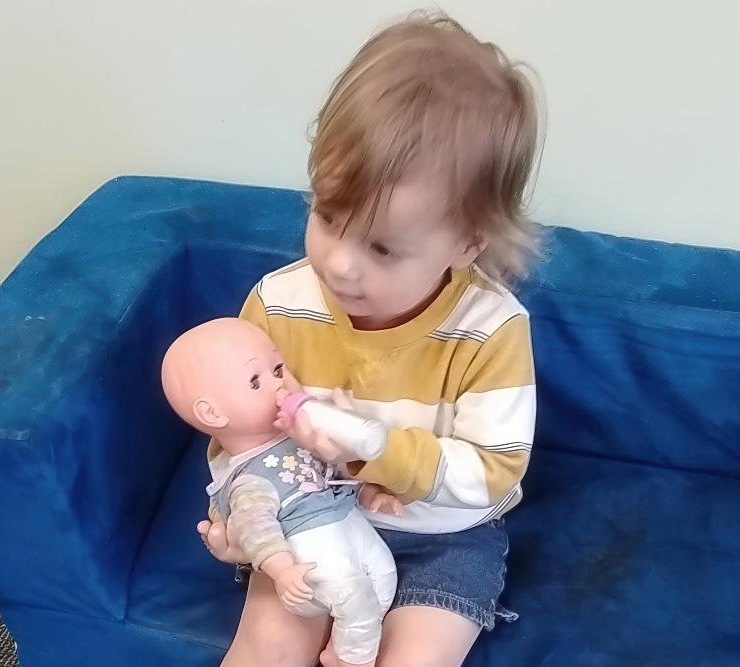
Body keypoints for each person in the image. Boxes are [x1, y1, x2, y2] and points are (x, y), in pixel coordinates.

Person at [198, 11, 541, 667]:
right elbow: (237, 429)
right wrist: (242, 516)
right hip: (307, 517)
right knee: (265, 646)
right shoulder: (279, 303)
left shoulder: (491, 330)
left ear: (467, 245)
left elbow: (492, 470)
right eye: (328, 216)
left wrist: (383, 456)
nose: (342, 264)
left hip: (443, 538)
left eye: (383, 247)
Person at [162, 318, 398, 667]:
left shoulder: (299, 436)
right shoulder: (248, 479)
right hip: (306, 553)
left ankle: (339, 648)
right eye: (256, 381)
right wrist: (282, 570)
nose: (279, 386)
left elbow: (333, 475)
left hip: (346, 521)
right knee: (355, 594)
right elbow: (257, 529)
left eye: (277, 369)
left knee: (384, 576)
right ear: (212, 413)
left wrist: (370, 494)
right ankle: (354, 660)